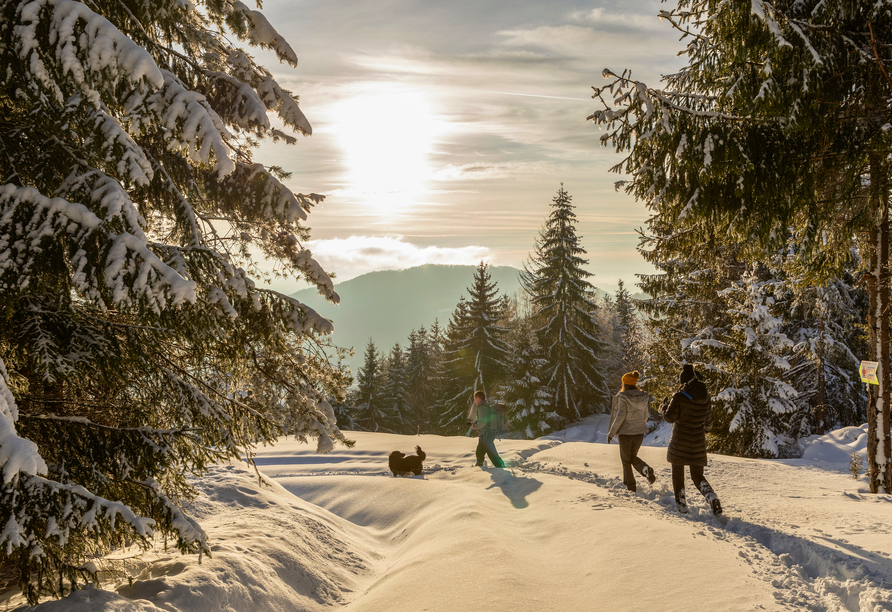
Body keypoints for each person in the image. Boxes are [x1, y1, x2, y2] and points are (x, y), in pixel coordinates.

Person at [660, 364, 722, 515]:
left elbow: (669, 417)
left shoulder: (679, 397)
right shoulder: (705, 398)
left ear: (684, 382)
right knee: (697, 476)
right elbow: (709, 422)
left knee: (678, 474)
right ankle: (711, 496)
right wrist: (704, 431)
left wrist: (664, 407)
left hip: (680, 442)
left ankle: (681, 506)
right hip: (697, 443)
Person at [607, 370, 656, 492]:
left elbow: (620, 417)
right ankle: (645, 469)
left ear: (625, 384)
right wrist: (639, 426)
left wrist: (611, 432)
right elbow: (645, 415)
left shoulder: (623, 397)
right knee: (632, 457)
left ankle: (630, 486)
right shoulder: (644, 396)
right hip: (639, 433)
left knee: (626, 460)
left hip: (626, 433)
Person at [470, 390, 506, 468]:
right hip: (487, 433)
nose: (474, 400)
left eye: (475, 398)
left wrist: (475, 427)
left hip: (487, 433)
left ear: (478, 398)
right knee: (479, 452)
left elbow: (483, 422)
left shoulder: (482, 408)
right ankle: (479, 465)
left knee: (491, 453)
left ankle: (501, 468)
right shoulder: (486, 406)